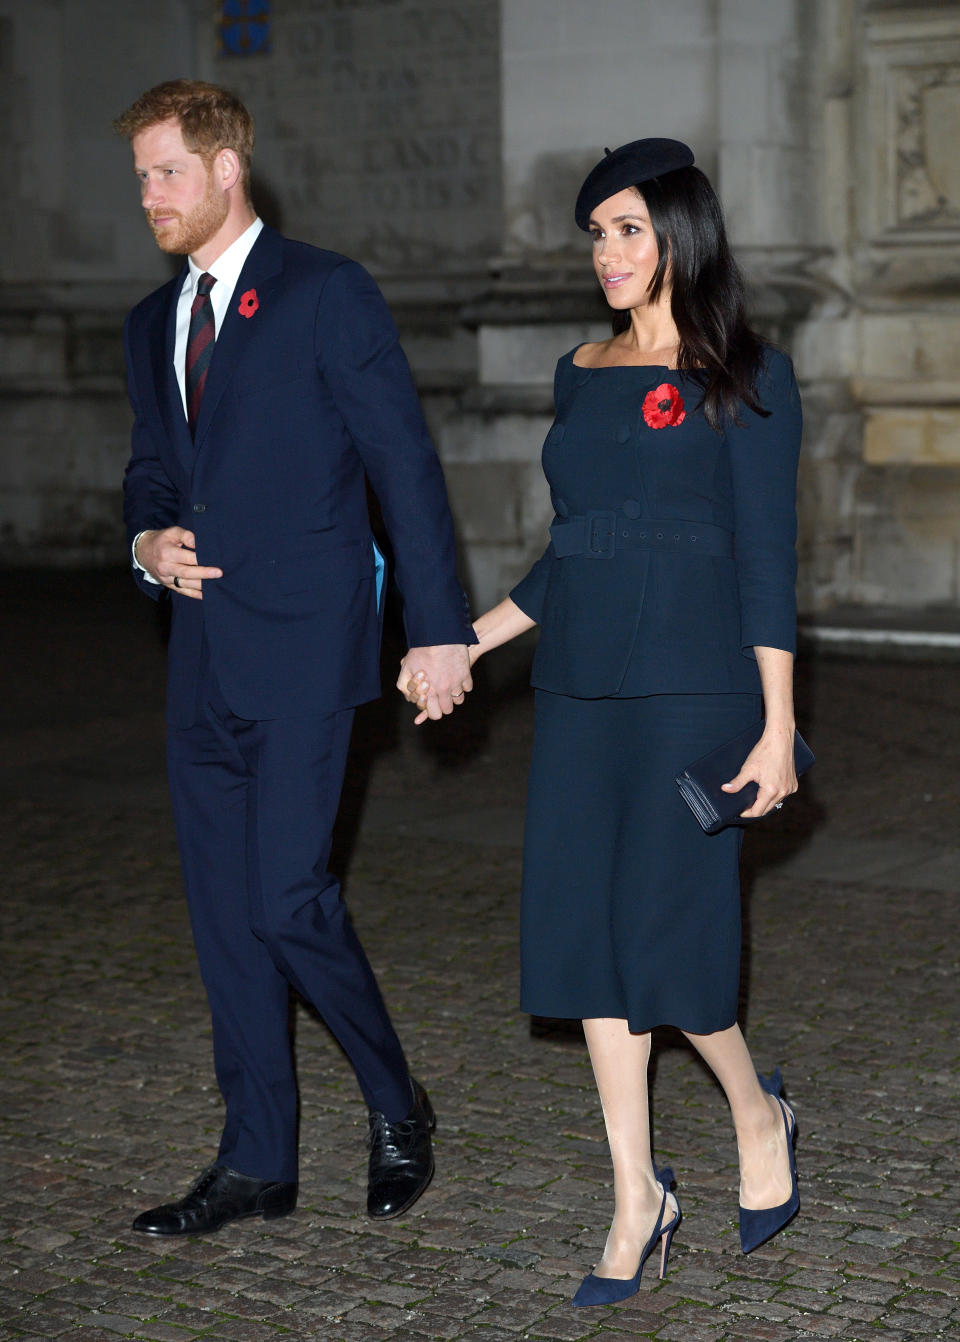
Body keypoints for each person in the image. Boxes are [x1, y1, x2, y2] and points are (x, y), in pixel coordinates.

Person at [406, 139, 803, 1304]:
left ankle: (754, 1110)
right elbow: (570, 554)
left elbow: (766, 565)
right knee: (589, 937)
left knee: (672, 945)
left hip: (701, 690)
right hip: (582, 690)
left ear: (681, 233)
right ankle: (638, 1194)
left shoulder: (748, 372)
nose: (608, 253)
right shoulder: (579, 370)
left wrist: (778, 728)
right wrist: (463, 642)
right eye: (595, 233)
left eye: (629, 228)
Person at [115, 79, 475, 1236]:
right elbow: (155, 471)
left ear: (228, 169)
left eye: (166, 172)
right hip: (201, 662)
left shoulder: (327, 293)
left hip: (310, 658)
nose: (150, 197)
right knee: (226, 921)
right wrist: (144, 537)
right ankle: (258, 1158)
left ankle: (395, 1101)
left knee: (286, 902)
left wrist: (437, 627)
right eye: (140, 179)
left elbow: (403, 467)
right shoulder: (149, 322)